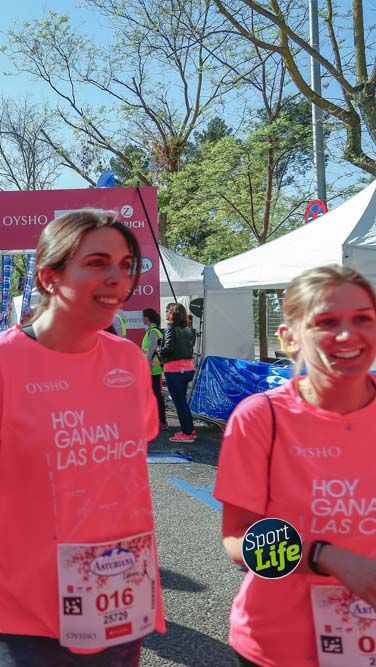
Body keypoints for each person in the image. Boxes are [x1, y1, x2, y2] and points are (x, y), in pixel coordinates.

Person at [0, 209, 163, 667]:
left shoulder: (130, 363)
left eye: (126, 264)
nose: (118, 277)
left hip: (118, 598)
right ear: (49, 276)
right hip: (21, 617)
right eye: (97, 262)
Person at [213, 265, 376, 667]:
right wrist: (325, 557)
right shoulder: (261, 417)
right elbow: (236, 537)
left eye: (363, 319)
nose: (347, 335)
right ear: (289, 338)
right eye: (326, 322)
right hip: (279, 644)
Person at [161, 302, 197, 442]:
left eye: (167, 311)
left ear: (172, 314)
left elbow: (168, 349)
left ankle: (187, 433)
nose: (166, 314)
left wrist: (160, 350)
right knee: (182, 402)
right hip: (188, 368)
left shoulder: (170, 329)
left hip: (174, 370)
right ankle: (189, 430)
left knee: (180, 403)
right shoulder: (188, 329)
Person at [141, 308, 167, 428]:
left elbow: (151, 350)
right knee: (155, 394)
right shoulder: (154, 331)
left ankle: (161, 421)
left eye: (143, 316)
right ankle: (158, 420)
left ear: (147, 317)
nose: (142, 319)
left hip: (152, 368)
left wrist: (146, 366)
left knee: (155, 394)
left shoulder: (153, 331)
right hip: (154, 367)